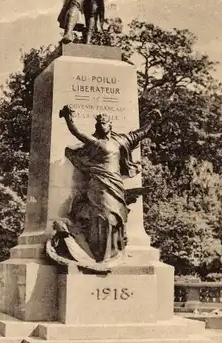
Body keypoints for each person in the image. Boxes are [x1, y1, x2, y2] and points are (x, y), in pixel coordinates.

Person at [48, 105, 161, 266]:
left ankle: (114, 249)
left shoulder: (121, 141)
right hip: (99, 185)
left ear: (110, 125)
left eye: (105, 123)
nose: (102, 126)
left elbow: (140, 134)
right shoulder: (95, 142)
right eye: (99, 124)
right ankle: (100, 253)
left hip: (115, 183)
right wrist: (68, 117)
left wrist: (151, 121)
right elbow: (77, 133)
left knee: (117, 215)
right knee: (102, 215)